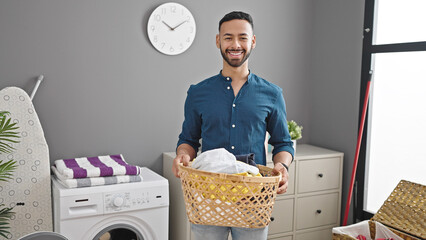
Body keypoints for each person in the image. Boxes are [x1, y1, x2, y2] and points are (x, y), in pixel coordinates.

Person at [172, 11, 294, 240]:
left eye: (242, 37)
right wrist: (182, 156)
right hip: (208, 196)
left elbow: (283, 143)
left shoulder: (272, 93)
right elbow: (188, 141)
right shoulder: (198, 93)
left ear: (253, 41)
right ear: (218, 41)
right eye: (228, 37)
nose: (235, 44)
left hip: (253, 198)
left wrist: (283, 167)